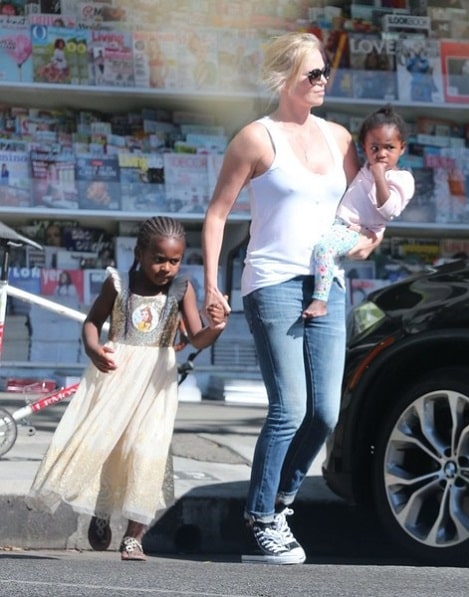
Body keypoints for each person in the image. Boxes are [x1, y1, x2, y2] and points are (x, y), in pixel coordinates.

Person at [201, 31, 379, 565]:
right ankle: (260, 519)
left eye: (325, 72)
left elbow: (366, 206)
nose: (323, 81)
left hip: (328, 285)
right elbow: (217, 214)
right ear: (284, 79)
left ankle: (279, 501)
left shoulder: (341, 139)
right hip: (273, 282)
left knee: (325, 412)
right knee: (290, 408)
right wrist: (213, 284)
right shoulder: (256, 139)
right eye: (313, 74)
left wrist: (370, 238)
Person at [27, 216, 228, 562]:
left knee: (145, 448)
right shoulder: (118, 284)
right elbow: (92, 322)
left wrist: (218, 326)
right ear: (139, 252)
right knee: (109, 445)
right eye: (159, 259)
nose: (166, 267)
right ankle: (102, 511)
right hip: (116, 374)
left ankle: (134, 536)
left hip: (156, 384)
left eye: (174, 260)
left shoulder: (182, 289)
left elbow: (197, 338)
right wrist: (94, 349)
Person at [304, 105, 415, 319]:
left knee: (323, 250)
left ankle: (320, 301)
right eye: (374, 148)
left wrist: (380, 177)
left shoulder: (402, 179)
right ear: (364, 148)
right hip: (340, 224)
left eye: (389, 148)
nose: (381, 154)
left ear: (402, 148)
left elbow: (390, 211)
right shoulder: (365, 168)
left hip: (357, 231)